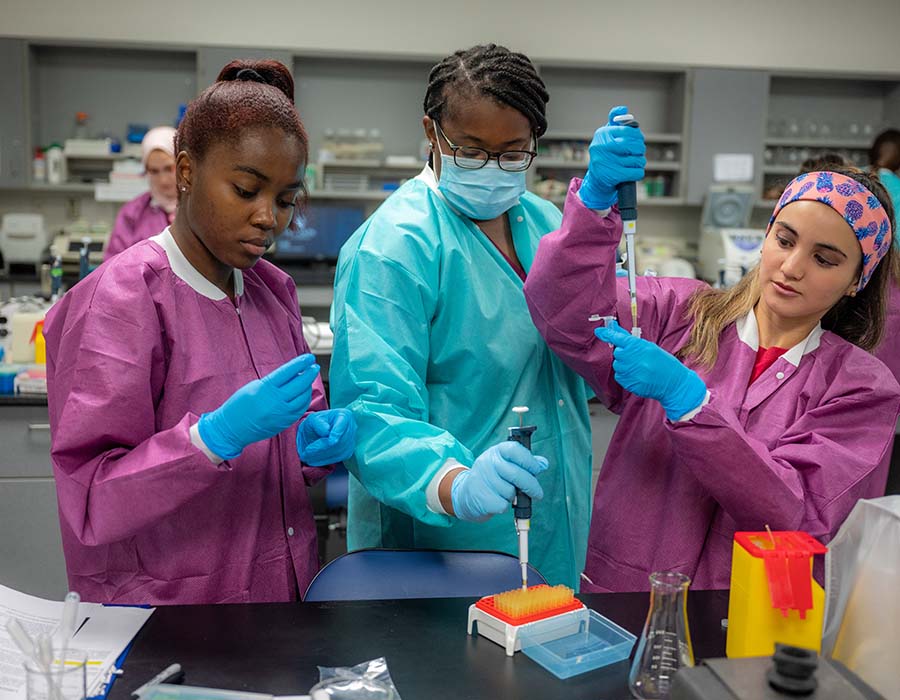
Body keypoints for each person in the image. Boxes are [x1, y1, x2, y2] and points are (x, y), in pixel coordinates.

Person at [523, 106, 900, 591]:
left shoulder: (859, 388)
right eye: (785, 240)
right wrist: (594, 206)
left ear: (855, 281)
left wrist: (692, 403)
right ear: (766, 237)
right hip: (627, 594)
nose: (792, 267)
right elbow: (563, 309)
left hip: (748, 616)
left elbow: (794, 513)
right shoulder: (676, 312)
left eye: (825, 259)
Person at [44, 60, 356, 605]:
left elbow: (294, 435)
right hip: (172, 614)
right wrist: (208, 441)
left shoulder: (270, 291)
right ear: (185, 172)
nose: (269, 218)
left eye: (286, 200)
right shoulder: (121, 300)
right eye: (245, 189)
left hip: (279, 601)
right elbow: (91, 499)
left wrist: (306, 447)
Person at [329, 44, 593, 588]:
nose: (492, 170)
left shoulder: (546, 224)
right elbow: (374, 413)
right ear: (432, 132)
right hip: (439, 544)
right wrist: (456, 482)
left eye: (513, 152)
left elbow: (575, 359)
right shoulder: (393, 247)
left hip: (553, 524)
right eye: (471, 151)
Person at [104, 126, 178, 260]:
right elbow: (113, 267)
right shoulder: (132, 214)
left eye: (169, 168)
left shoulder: (199, 208)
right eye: (154, 171)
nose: (163, 180)